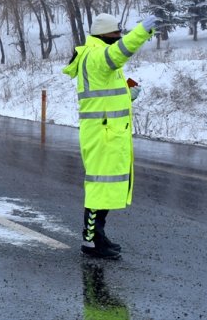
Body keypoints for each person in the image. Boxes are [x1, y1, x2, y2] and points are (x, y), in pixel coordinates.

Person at [62, 13, 157, 259]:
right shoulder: (96, 55)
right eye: (116, 34)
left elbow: (104, 95)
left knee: (104, 188)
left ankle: (98, 236)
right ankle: (91, 241)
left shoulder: (96, 56)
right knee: (98, 187)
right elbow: (118, 53)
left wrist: (128, 94)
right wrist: (141, 32)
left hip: (106, 132)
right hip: (102, 134)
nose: (119, 38)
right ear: (104, 34)